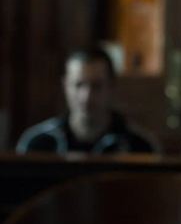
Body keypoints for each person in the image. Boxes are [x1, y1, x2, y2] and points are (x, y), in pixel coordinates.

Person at [16, 48, 157, 154]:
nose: (86, 96)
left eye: (97, 86)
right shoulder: (39, 143)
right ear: (65, 86)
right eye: (78, 85)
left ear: (111, 87)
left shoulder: (139, 147)